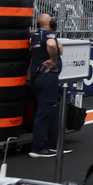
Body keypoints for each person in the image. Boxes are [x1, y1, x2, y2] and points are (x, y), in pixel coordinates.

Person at [28, 12, 67, 158]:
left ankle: (53, 145)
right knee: (44, 112)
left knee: (51, 110)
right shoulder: (48, 37)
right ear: (51, 23)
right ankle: (37, 148)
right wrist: (54, 59)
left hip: (37, 78)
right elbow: (53, 46)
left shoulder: (35, 35)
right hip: (47, 78)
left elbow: (59, 47)